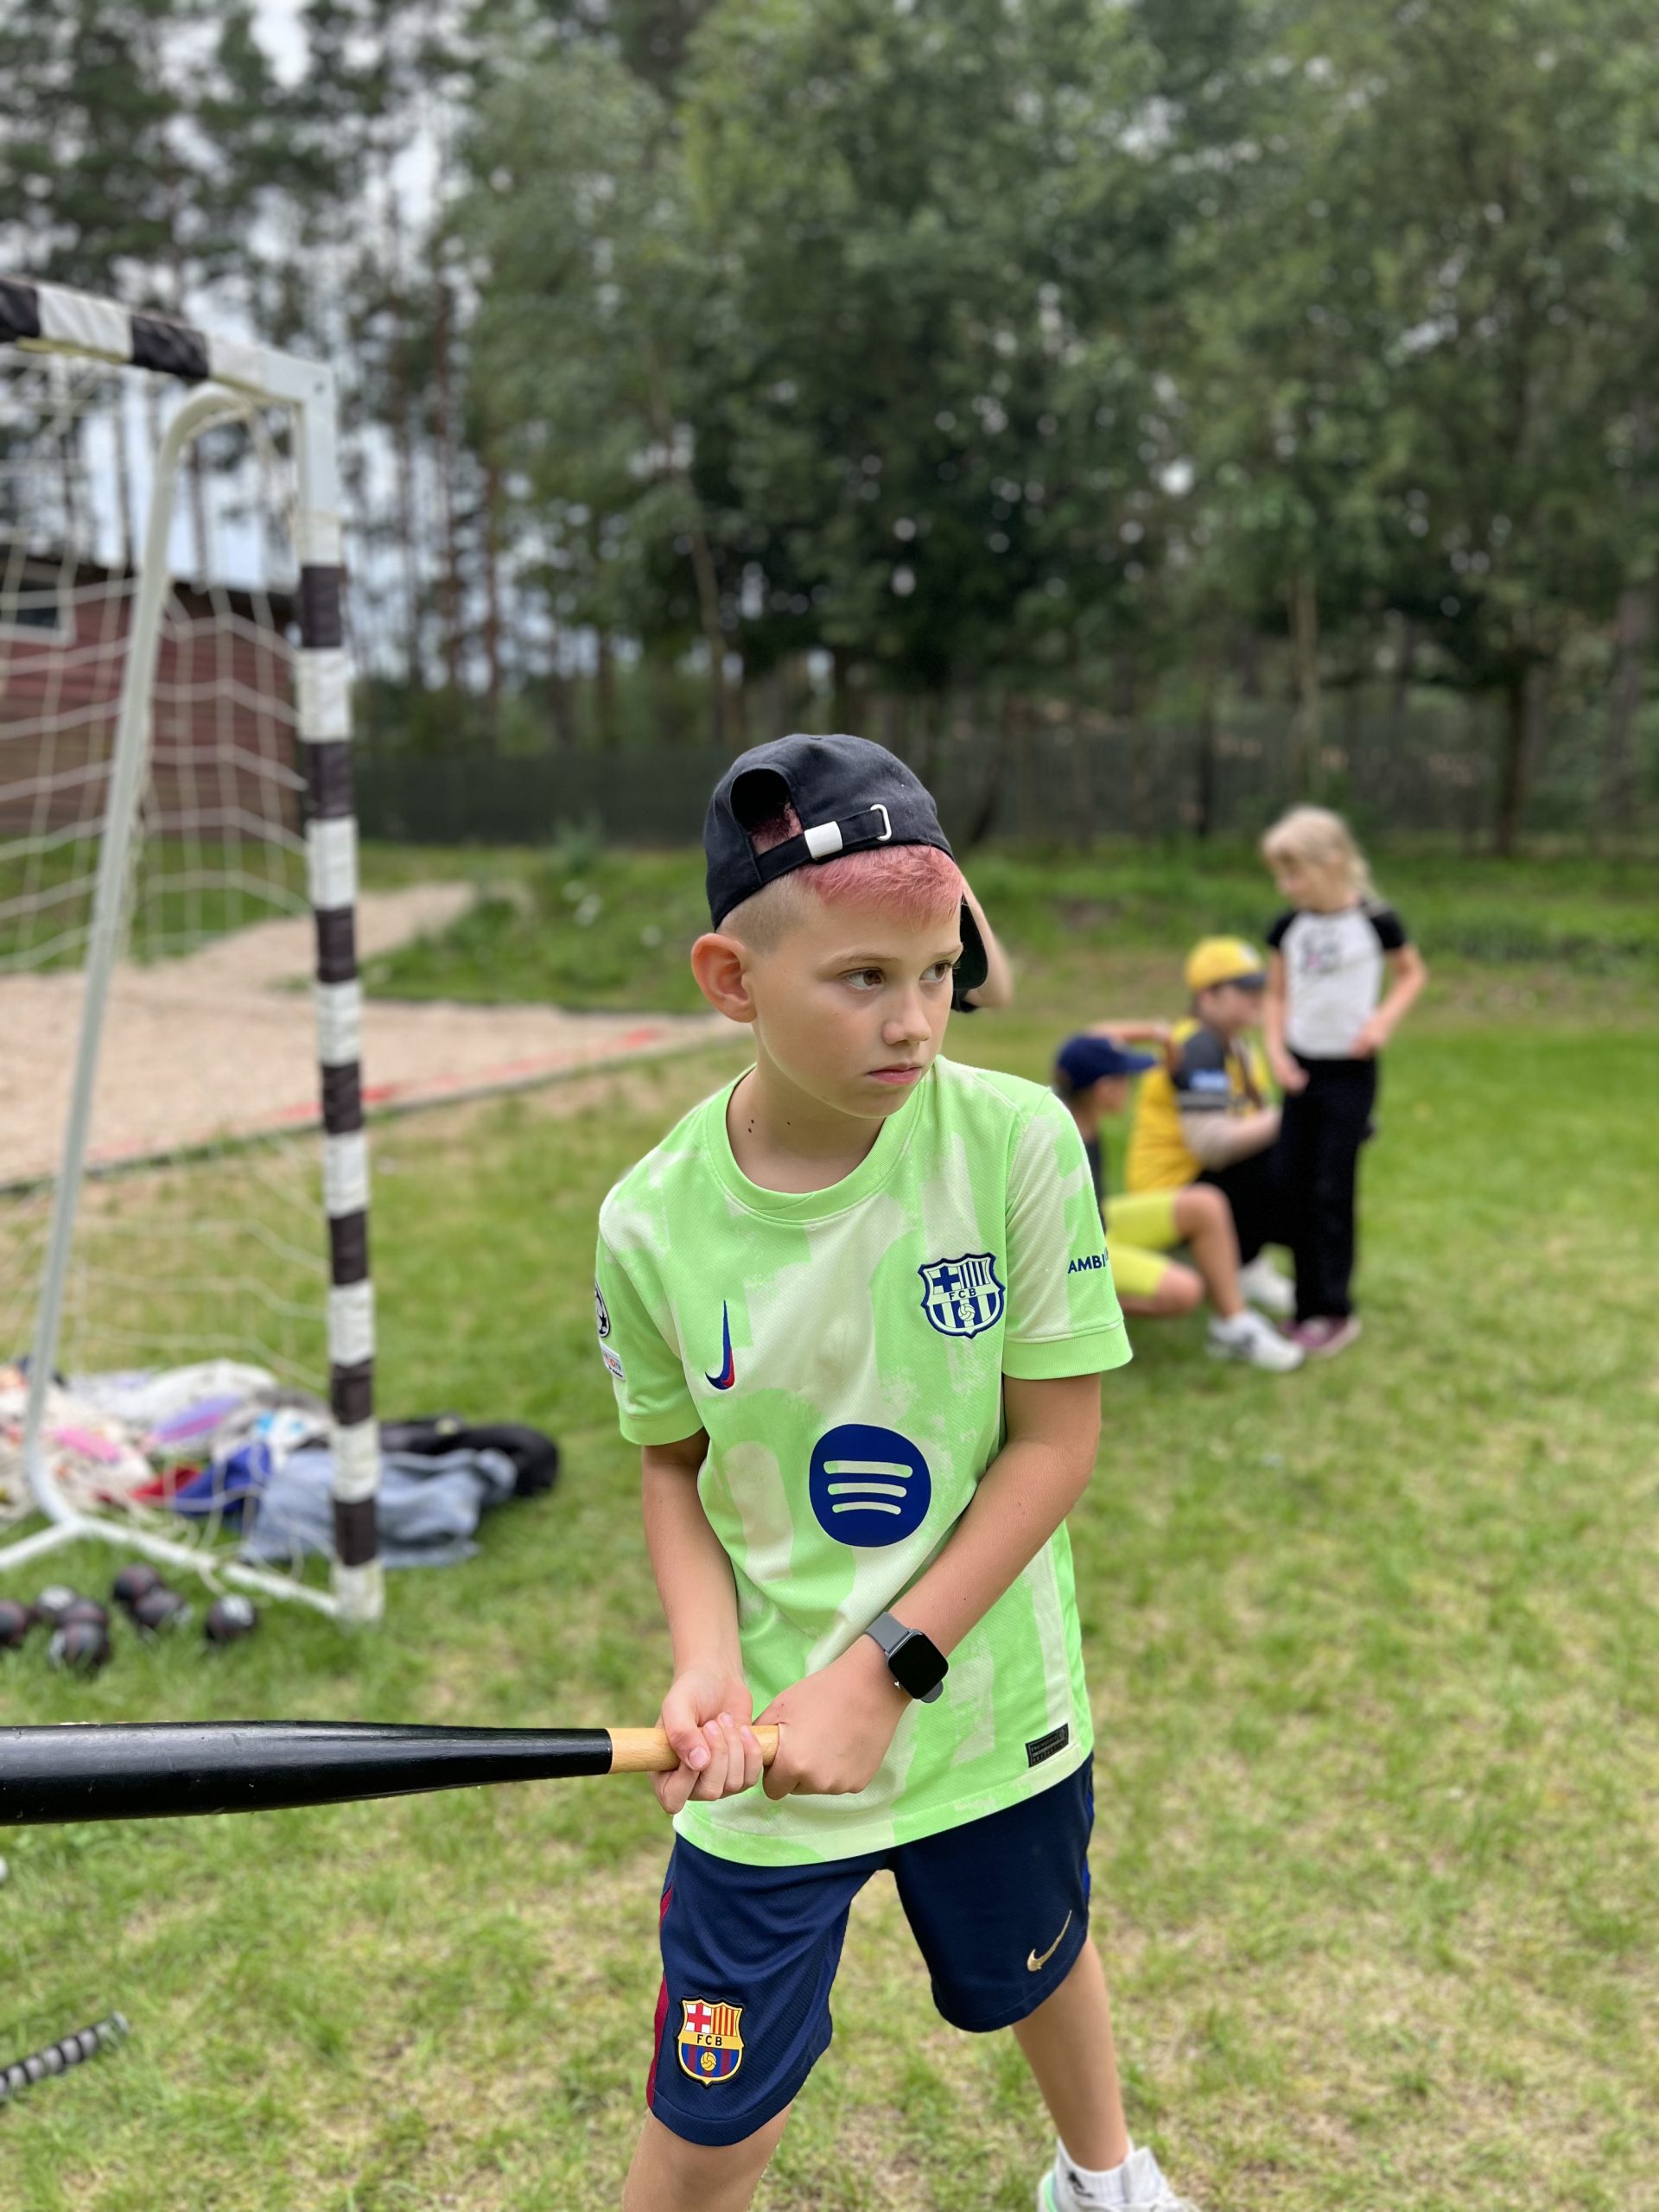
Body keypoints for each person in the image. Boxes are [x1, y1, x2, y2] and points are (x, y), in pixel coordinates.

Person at [595, 734, 1203, 2212]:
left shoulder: (1014, 1143)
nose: (917, 1020)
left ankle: (1102, 2180)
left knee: (1041, 1956)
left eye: (939, 973)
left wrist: (887, 1669)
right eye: (864, 979)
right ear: (732, 982)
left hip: (991, 1705)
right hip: (774, 1750)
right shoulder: (651, 1222)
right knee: (708, 2113)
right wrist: (704, 1666)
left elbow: (1055, 1447)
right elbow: (671, 1467)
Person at [1260, 805, 1427, 1357]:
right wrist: (1277, 1053)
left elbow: (1412, 974)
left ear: (1333, 861)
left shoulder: (1377, 922)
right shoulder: (1289, 927)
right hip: (1299, 1073)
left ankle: (1333, 1311)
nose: (1286, 885)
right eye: (1280, 875)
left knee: (1332, 1191)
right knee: (1289, 1184)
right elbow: (1276, 996)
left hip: (1349, 1076)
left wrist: (1381, 1023)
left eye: (1295, 872)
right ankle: (1305, 1302)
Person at [1052, 1033, 1301, 1372]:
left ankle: (1233, 1323)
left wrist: (1157, 1035)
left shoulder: (1073, 1106)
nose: (1132, 1087)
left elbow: (1085, 1045)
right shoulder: (1055, 1135)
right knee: (1184, 1292)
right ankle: (1064, 1313)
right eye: (1126, 1080)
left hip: (1100, 1219)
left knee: (1206, 1204)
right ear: (1105, 1090)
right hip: (1075, 1246)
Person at [1123, 937, 1296, 1304]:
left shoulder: (1239, 1047)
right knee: (1275, 1155)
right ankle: (1245, 1266)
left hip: (1199, 1178)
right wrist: (1301, 1115)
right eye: (1244, 988)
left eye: (1259, 987)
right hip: (1169, 1189)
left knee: (1297, 1152)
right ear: (1207, 997)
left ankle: (1249, 1260)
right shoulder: (1196, 1045)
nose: (1257, 997)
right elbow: (1213, 1146)